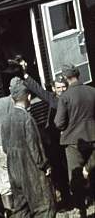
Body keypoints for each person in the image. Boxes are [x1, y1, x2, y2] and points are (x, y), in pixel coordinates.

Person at [1, 77, 56, 218]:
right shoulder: (27, 119)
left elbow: (6, 148)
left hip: (14, 172)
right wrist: (45, 165)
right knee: (45, 208)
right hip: (31, 170)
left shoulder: (5, 120)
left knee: (21, 210)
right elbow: (35, 148)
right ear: (29, 97)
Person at [22, 67, 70, 208]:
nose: (61, 90)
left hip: (65, 141)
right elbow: (38, 90)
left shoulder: (63, 100)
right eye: (58, 87)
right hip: (55, 142)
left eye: (63, 87)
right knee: (60, 172)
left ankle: (72, 199)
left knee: (67, 170)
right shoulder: (54, 98)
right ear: (54, 89)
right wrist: (25, 75)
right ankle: (67, 198)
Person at [54, 64, 95, 216]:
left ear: (65, 78)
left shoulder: (65, 97)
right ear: (78, 75)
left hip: (73, 141)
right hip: (93, 136)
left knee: (75, 176)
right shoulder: (92, 91)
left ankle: (81, 210)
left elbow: (59, 123)